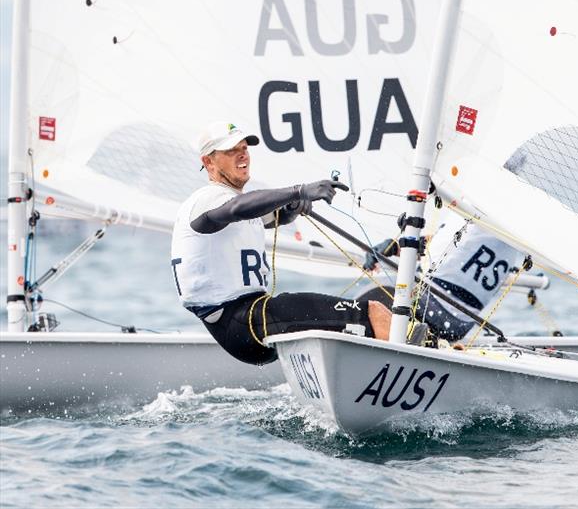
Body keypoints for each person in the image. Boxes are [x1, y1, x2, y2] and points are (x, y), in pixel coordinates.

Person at [170, 121, 392, 365]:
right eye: (231, 150)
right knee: (374, 312)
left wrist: (291, 211)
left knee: (373, 310)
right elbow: (237, 209)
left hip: (249, 320)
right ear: (208, 162)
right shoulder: (207, 199)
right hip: (242, 321)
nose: (243, 154)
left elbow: (268, 215)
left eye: (244, 147)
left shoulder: (233, 201)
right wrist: (299, 191)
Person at [364, 217, 525, 342]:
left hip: (431, 308)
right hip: (459, 327)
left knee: (376, 295)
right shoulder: (512, 235)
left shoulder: (476, 211)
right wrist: (395, 248)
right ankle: (423, 339)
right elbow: (454, 248)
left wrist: (398, 245)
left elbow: (441, 246)